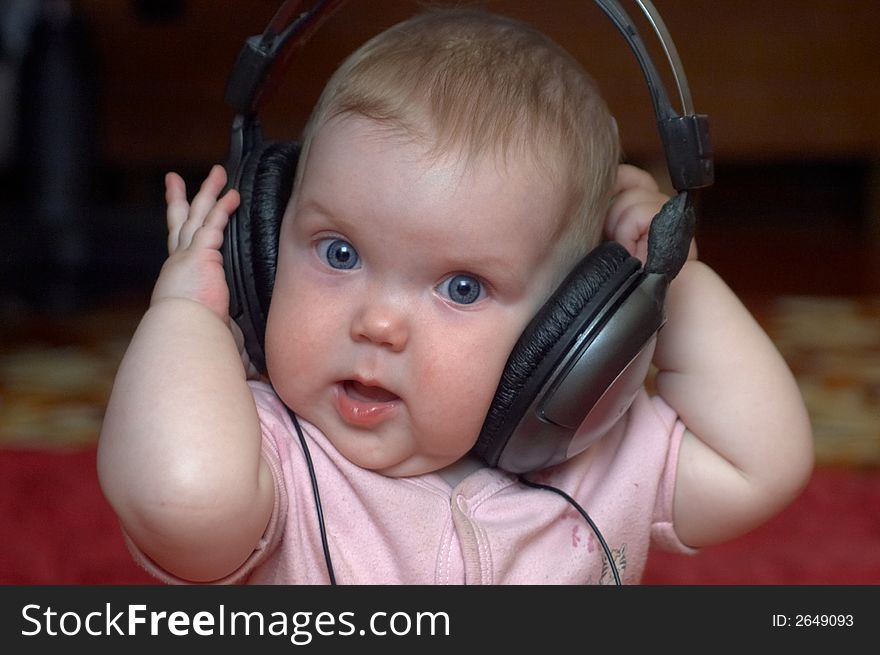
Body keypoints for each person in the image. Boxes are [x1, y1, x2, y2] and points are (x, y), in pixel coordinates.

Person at [97, 7, 814, 584]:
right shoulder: (267, 458)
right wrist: (188, 315)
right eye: (339, 253)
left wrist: (670, 275)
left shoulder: (602, 467)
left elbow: (764, 458)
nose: (377, 322)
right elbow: (182, 498)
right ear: (265, 246)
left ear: (573, 325)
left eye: (462, 287)